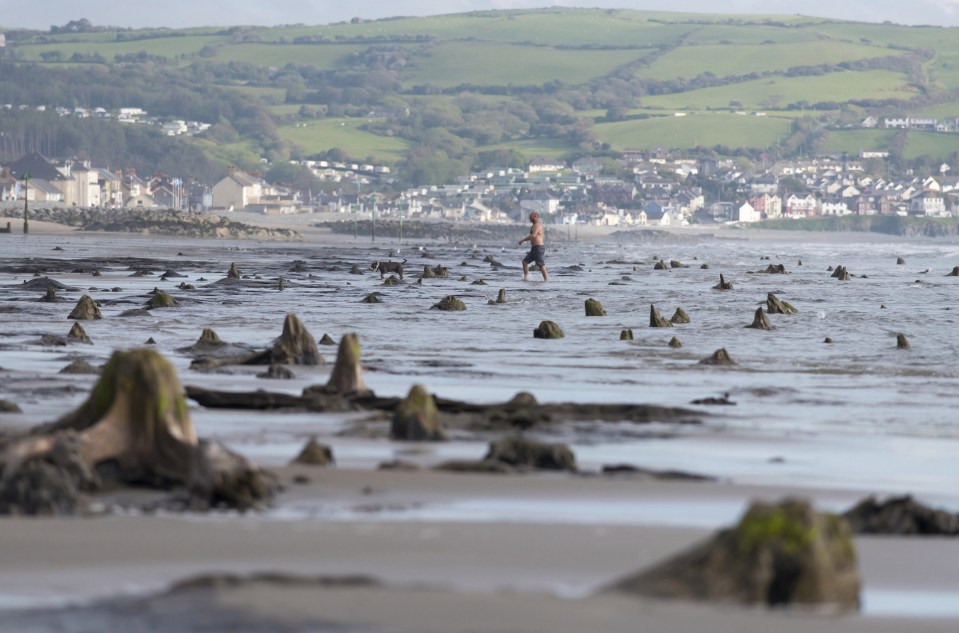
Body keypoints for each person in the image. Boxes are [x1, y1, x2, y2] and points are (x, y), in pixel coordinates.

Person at [518, 211, 549, 282]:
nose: (529, 217)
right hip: (534, 248)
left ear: (535, 217)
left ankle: (546, 280)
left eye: (531, 216)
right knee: (525, 262)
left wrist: (523, 240)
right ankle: (526, 278)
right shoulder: (534, 225)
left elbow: (533, 235)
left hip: (539, 248)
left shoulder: (537, 225)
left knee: (541, 265)